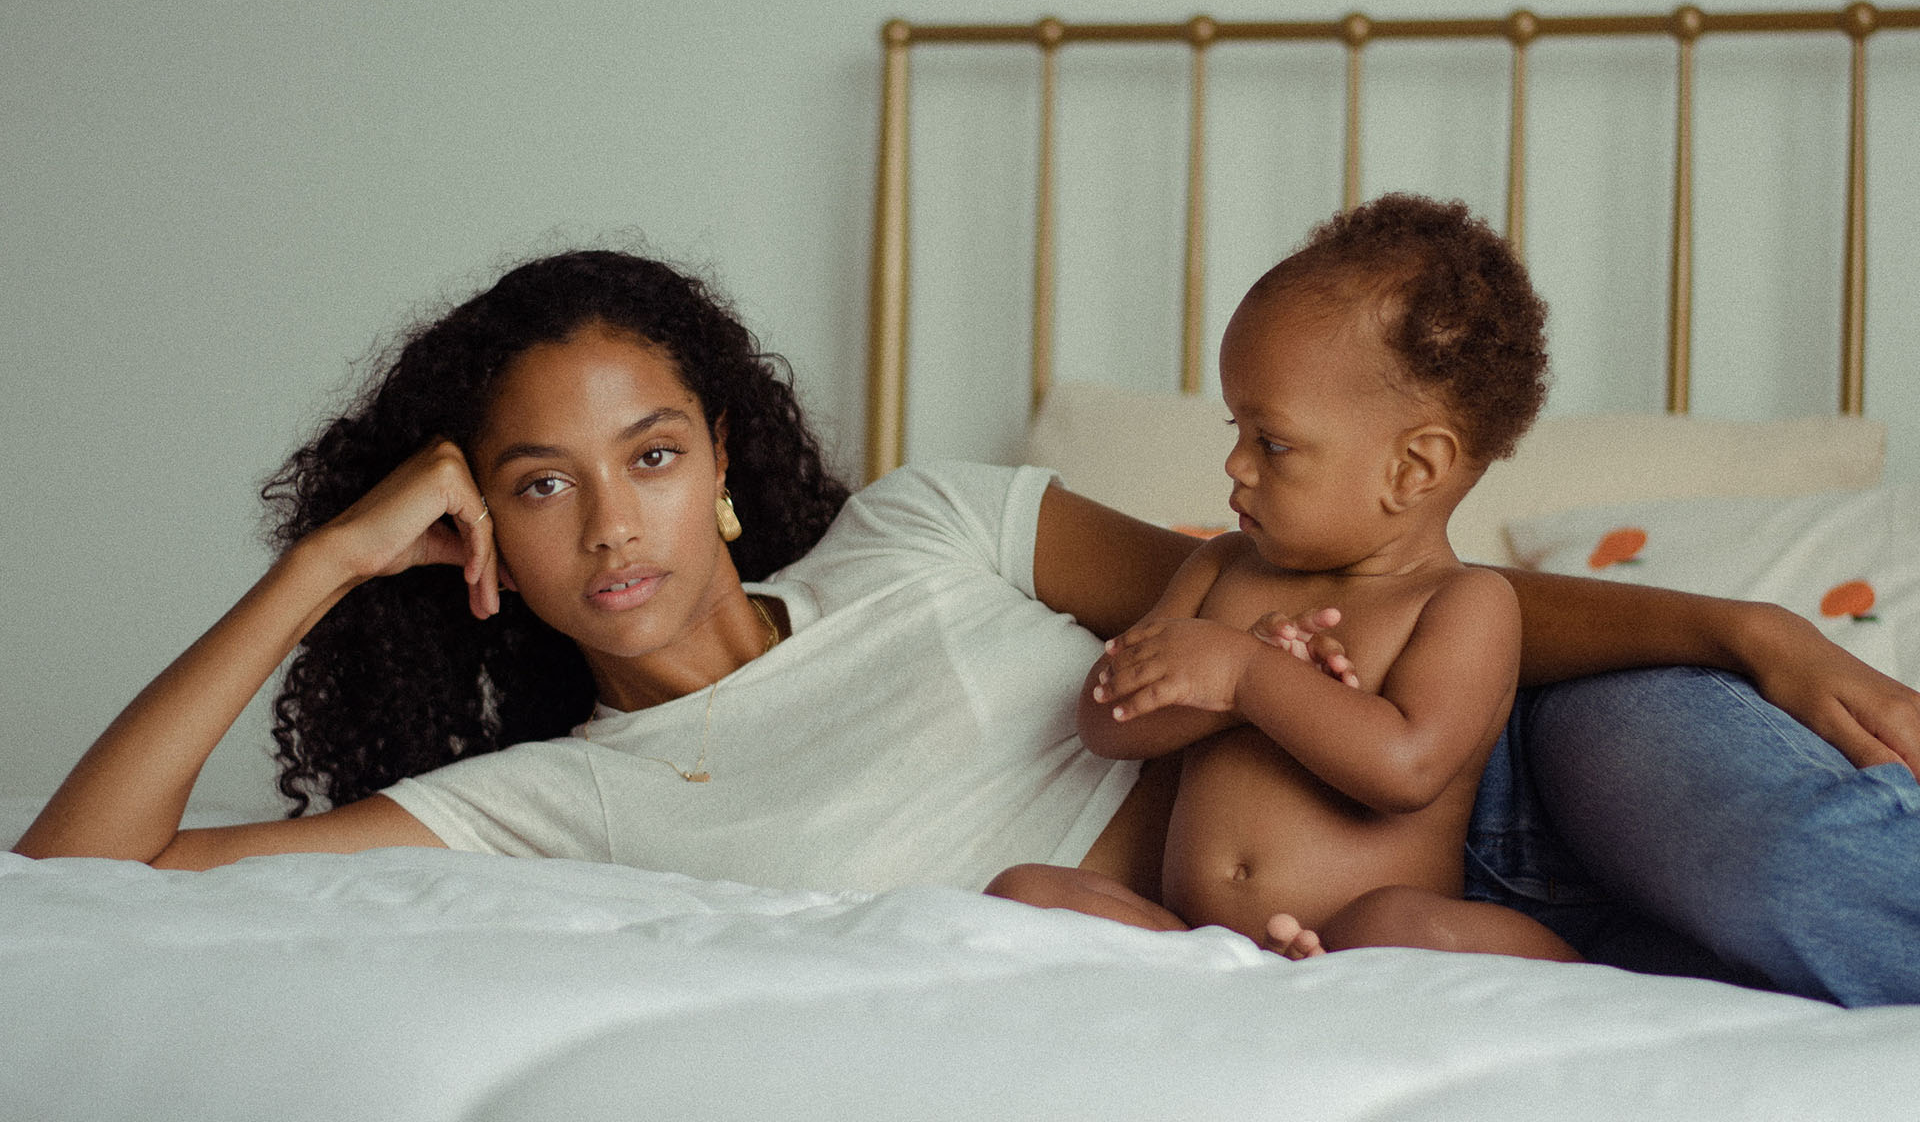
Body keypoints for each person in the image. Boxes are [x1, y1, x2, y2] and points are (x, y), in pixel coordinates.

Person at [13, 247, 1920, 1006]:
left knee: (1787, 862)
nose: (615, 519)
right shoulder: (541, 808)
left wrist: (1743, 628)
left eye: (653, 453)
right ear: (479, 536)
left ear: (729, 471)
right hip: (1310, 930)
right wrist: (321, 565)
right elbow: (82, 880)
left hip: (1489, 746)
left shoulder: (931, 527)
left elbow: (1364, 590)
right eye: (538, 482)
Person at [989, 195, 1578, 965]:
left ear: (1412, 469)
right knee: (1022, 893)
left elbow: (1405, 770)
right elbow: (1107, 724)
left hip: (1356, 944)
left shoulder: (1463, 604)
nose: (1235, 465)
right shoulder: (1222, 568)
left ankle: (1575, 962)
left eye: (1272, 442)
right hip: (1197, 941)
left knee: (1398, 924)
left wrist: (1246, 676)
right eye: (1235, 430)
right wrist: (1212, 687)